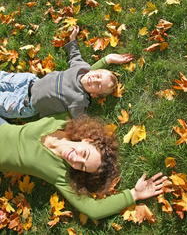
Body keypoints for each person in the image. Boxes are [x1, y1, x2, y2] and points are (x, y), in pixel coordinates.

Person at [0, 113, 167, 220]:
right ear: (87, 141)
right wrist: (106, 61)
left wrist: (134, 194)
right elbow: (79, 80)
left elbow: (93, 210)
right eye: (85, 154)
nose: (76, 160)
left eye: (82, 167)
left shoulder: (61, 175)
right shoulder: (63, 120)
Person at [0, 26, 134, 120]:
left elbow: (81, 121)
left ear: (93, 94)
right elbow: (74, 55)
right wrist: (72, 39)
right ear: (93, 71)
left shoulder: (79, 99)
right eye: (97, 76)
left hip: (23, 104)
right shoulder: (81, 68)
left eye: (98, 85)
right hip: (27, 81)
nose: (94, 80)